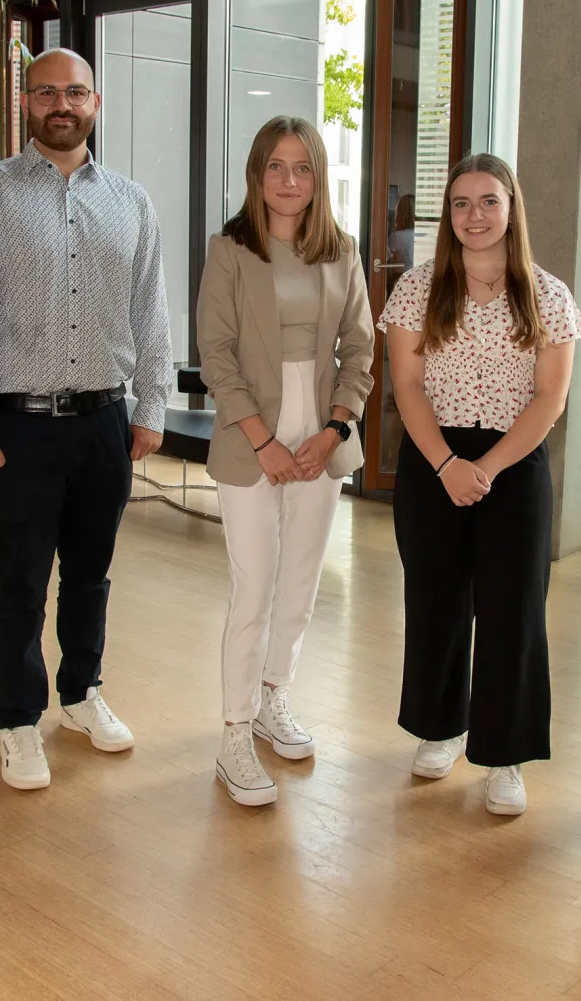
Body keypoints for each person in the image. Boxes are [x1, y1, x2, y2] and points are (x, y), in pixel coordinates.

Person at [0, 48, 172, 791]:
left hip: (105, 419)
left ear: (95, 103)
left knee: (91, 574)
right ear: (26, 103)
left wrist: (151, 406)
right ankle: (18, 718)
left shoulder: (133, 202)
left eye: (75, 91)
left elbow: (151, 313)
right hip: (20, 426)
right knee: (20, 579)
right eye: (47, 92)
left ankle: (81, 694)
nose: (61, 103)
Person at [379, 153, 581, 817]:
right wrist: (446, 465)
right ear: (449, 215)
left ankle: (505, 753)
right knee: (436, 599)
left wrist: (488, 469)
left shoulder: (548, 294)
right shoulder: (418, 288)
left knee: (512, 609)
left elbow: (551, 399)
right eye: (461, 203)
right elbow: (405, 386)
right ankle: (440, 728)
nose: (474, 215)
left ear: (511, 208)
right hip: (432, 457)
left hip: (513, 463)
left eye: (488, 201)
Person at [195, 116, 374, 806]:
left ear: (318, 176)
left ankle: (274, 699)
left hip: (321, 434)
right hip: (251, 436)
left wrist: (332, 431)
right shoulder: (231, 249)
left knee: (300, 582)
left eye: (303, 167)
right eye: (277, 166)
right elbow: (217, 353)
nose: (290, 180)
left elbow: (359, 351)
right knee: (256, 584)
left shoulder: (343, 250)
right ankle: (234, 732)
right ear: (257, 173)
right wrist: (264, 440)